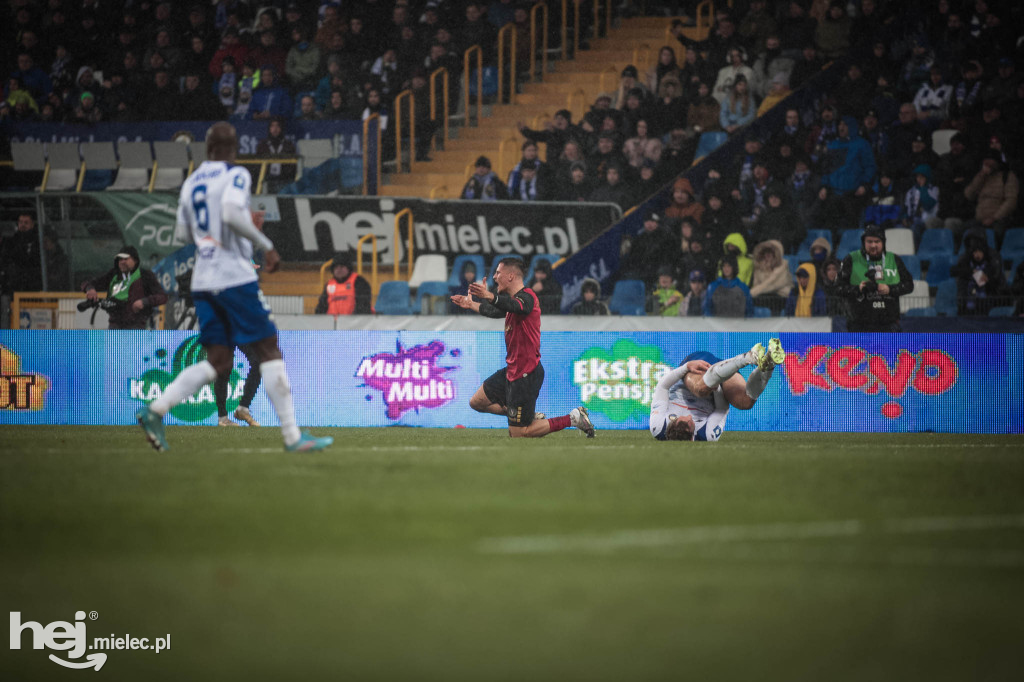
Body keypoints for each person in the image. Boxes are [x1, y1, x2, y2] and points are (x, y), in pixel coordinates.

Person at [136, 122, 332, 453]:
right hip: (233, 276)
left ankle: (155, 410)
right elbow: (229, 211)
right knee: (269, 346)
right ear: (234, 148)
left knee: (218, 361)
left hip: (203, 279)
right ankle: (292, 435)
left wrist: (214, 235)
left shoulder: (191, 182)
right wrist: (264, 242)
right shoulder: (236, 174)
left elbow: (184, 234)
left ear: (206, 149)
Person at [450, 257, 596, 438]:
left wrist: (489, 296)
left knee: (519, 433)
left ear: (510, 276)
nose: (495, 277)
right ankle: (526, 415)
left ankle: (574, 418)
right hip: (513, 368)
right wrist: (471, 303)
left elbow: (515, 306)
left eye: (498, 273)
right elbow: (494, 310)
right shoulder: (513, 300)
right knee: (477, 402)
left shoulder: (528, 297)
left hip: (525, 373)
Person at [649, 339, 785, 441]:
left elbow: (662, 386)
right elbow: (721, 409)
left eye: (683, 418)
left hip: (694, 370)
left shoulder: (659, 426)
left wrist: (686, 367)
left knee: (700, 389)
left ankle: (749, 356)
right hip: (716, 384)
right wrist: (718, 385)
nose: (690, 416)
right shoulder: (708, 434)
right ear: (692, 437)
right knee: (746, 402)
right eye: (692, 422)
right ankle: (769, 361)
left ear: (672, 423)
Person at [837, 224, 914, 332]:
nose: (873, 245)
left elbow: (909, 285)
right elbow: (838, 288)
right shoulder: (850, 259)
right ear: (864, 242)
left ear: (883, 242)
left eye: (877, 241)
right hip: (858, 324)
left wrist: (890, 289)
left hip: (889, 324)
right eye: (869, 241)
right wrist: (858, 289)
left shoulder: (894, 259)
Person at [81, 245, 167, 329]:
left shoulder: (145, 275)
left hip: (136, 327)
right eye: (120, 259)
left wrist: (144, 302)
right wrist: (90, 289)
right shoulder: (113, 275)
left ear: (135, 260)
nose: (122, 262)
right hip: (114, 326)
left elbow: (162, 297)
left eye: (126, 259)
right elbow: (87, 283)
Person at [951, 227, 1006, 316]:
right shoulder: (966, 256)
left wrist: (985, 275)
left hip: (990, 294)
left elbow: (995, 275)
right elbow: (955, 270)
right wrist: (973, 272)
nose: (976, 253)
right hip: (969, 296)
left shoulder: (993, 255)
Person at [0, 212, 43, 296]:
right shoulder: (10, 242)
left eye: (26, 223)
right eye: (20, 222)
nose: (22, 225)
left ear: (32, 224)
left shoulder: (38, 242)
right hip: (14, 287)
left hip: (33, 287)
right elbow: (5, 261)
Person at [256, 117, 296, 194]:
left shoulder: (288, 145)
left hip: (283, 181)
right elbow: (257, 166)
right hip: (266, 179)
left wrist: (283, 174)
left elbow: (292, 168)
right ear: (269, 128)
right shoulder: (262, 145)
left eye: (277, 126)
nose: (275, 129)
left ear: (281, 128)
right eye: (272, 126)